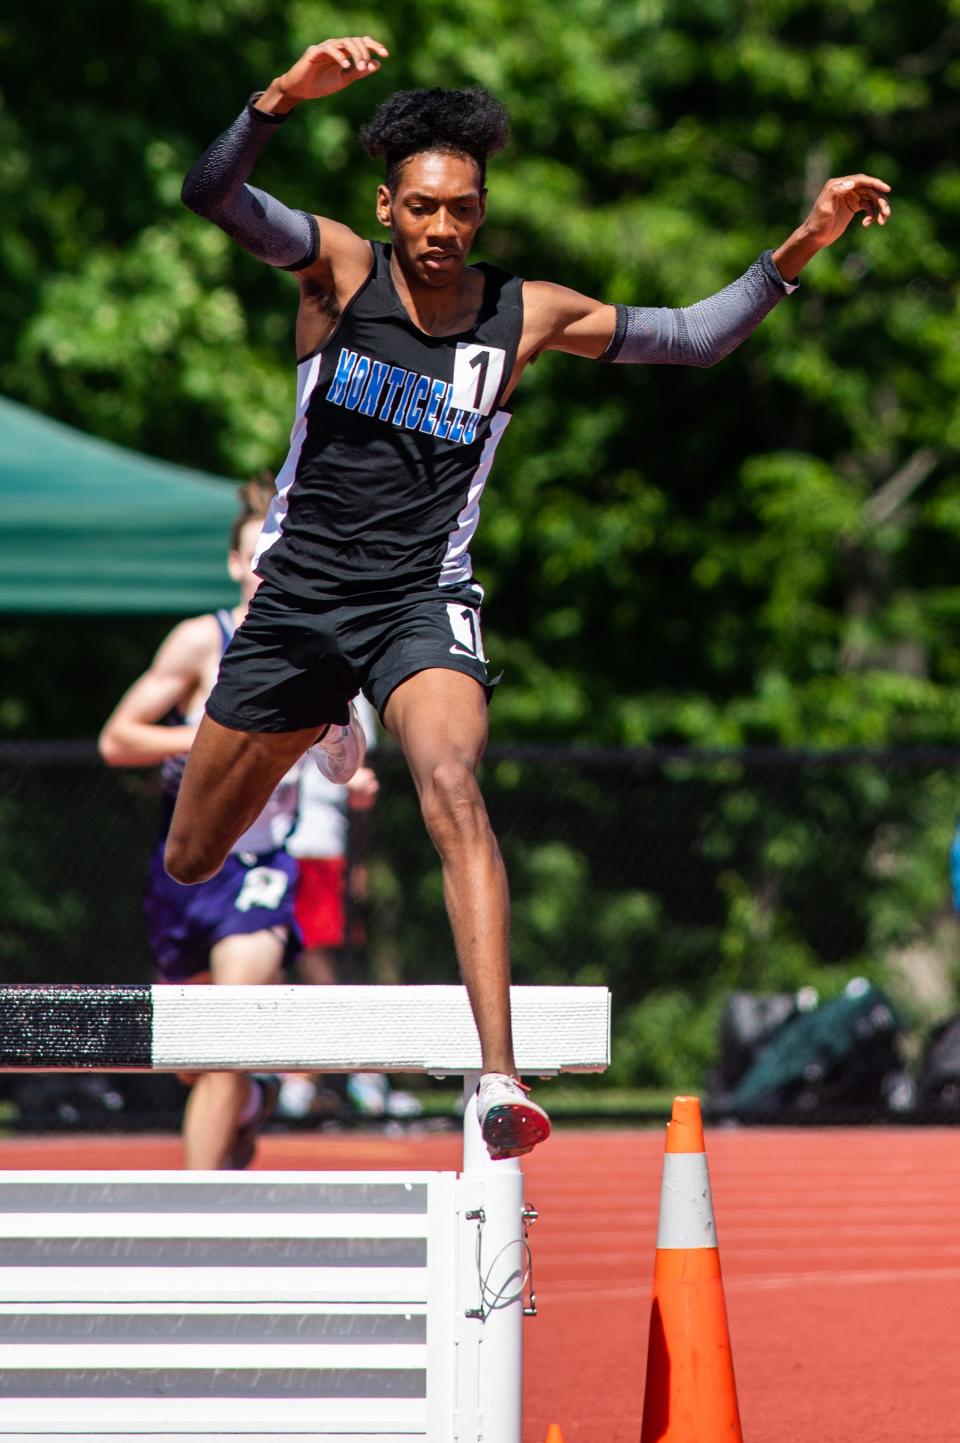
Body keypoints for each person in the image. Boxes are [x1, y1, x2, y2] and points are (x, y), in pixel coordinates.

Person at [170, 35, 891, 1159]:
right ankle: (317, 716)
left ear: (484, 212)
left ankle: (494, 1078)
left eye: (462, 210)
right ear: (388, 206)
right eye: (422, 208)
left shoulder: (526, 315)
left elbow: (694, 339)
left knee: (452, 780)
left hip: (423, 597)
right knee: (192, 856)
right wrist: (277, 98)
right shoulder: (340, 271)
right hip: (302, 590)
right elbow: (208, 192)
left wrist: (806, 239)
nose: (443, 231)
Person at [99, 478, 300, 1169]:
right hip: (185, 866)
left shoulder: (317, 648)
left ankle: (198, 1213)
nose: (263, 570)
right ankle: (250, 1097)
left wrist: (351, 779)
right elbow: (117, 736)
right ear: (234, 563)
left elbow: (343, 751)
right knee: (190, 1061)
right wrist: (207, 740)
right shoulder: (199, 640)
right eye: (254, 557)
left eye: (278, 555)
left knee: (223, 1043)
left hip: (262, 866)